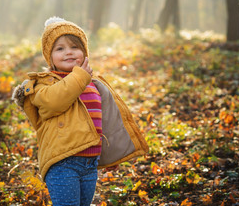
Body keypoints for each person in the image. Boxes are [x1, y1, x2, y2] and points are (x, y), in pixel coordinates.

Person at [12, 16, 148, 206]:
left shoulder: (92, 84)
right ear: (49, 57)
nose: (68, 52)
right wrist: (80, 77)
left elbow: (103, 122)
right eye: (60, 49)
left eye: (74, 47)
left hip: (90, 164)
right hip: (62, 163)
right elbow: (54, 102)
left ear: (85, 53)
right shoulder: (44, 84)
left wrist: (110, 153)